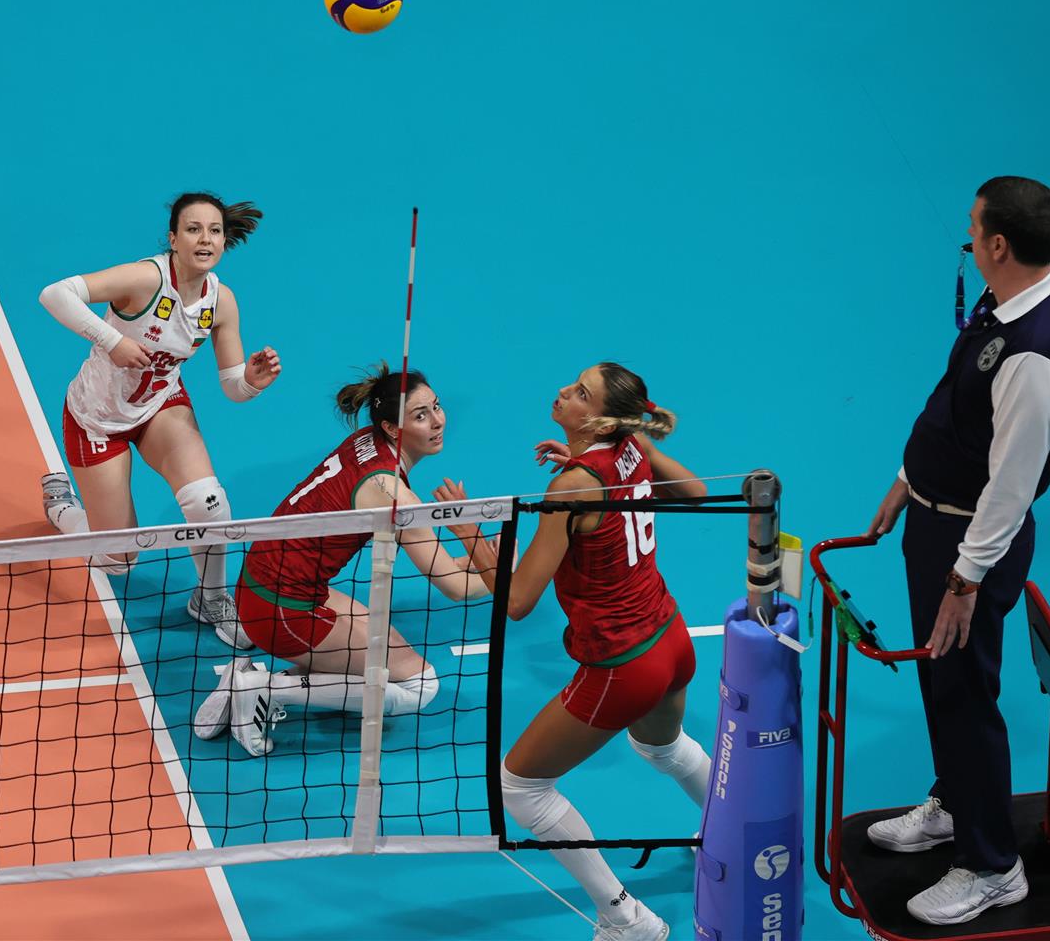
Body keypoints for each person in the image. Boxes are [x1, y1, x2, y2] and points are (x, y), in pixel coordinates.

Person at [866, 177, 1050, 926]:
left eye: (971, 229)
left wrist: (964, 580)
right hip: (936, 523)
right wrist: (908, 479)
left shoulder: (1036, 357)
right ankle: (956, 801)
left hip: (971, 544)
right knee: (941, 681)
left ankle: (992, 865)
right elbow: (957, 406)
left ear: (997, 244)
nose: (966, 239)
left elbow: (1011, 486)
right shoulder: (1005, 300)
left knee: (964, 692)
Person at [435, 362, 711, 941]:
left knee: (520, 787)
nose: (564, 391)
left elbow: (517, 601)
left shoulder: (571, 487)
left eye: (581, 393)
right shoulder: (630, 448)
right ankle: (739, 835)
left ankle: (625, 918)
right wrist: (586, 464)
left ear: (600, 420)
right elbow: (696, 492)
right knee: (661, 747)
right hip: (671, 639)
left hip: (624, 664)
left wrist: (469, 534)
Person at [194, 362, 494, 757]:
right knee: (418, 686)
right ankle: (265, 689)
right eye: (421, 415)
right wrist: (500, 573)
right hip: (283, 611)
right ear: (392, 428)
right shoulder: (392, 494)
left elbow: (443, 564)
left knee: (369, 649)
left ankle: (244, 677)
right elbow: (456, 588)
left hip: (260, 585)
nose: (438, 421)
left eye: (436, 407)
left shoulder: (365, 441)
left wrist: (479, 558)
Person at [38, 192, 281, 649]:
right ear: (173, 238)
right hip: (97, 419)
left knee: (208, 502)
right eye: (193, 229)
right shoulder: (146, 279)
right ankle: (65, 511)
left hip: (160, 405)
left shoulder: (221, 301)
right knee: (119, 560)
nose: (205, 239)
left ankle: (211, 598)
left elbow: (233, 387)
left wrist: (252, 381)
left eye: (214, 231)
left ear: (224, 240)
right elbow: (55, 294)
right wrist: (112, 340)